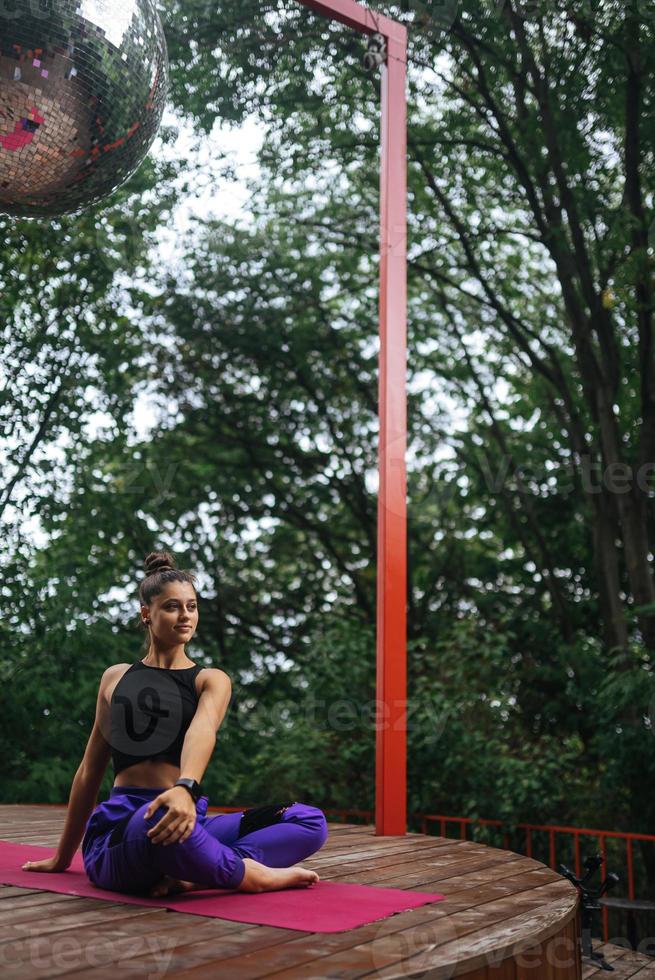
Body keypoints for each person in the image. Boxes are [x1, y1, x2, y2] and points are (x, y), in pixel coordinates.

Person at [22, 551, 328, 896]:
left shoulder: (209, 680)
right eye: (172, 606)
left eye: (192, 606)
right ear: (146, 614)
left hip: (188, 815)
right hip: (121, 831)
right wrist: (62, 858)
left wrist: (185, 787)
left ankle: (198, 873)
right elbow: (89, 770)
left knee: (308, 820)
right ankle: (244, 874)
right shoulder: (116, 678)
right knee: (160, 818)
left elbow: (203, 730)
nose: (185, 616)